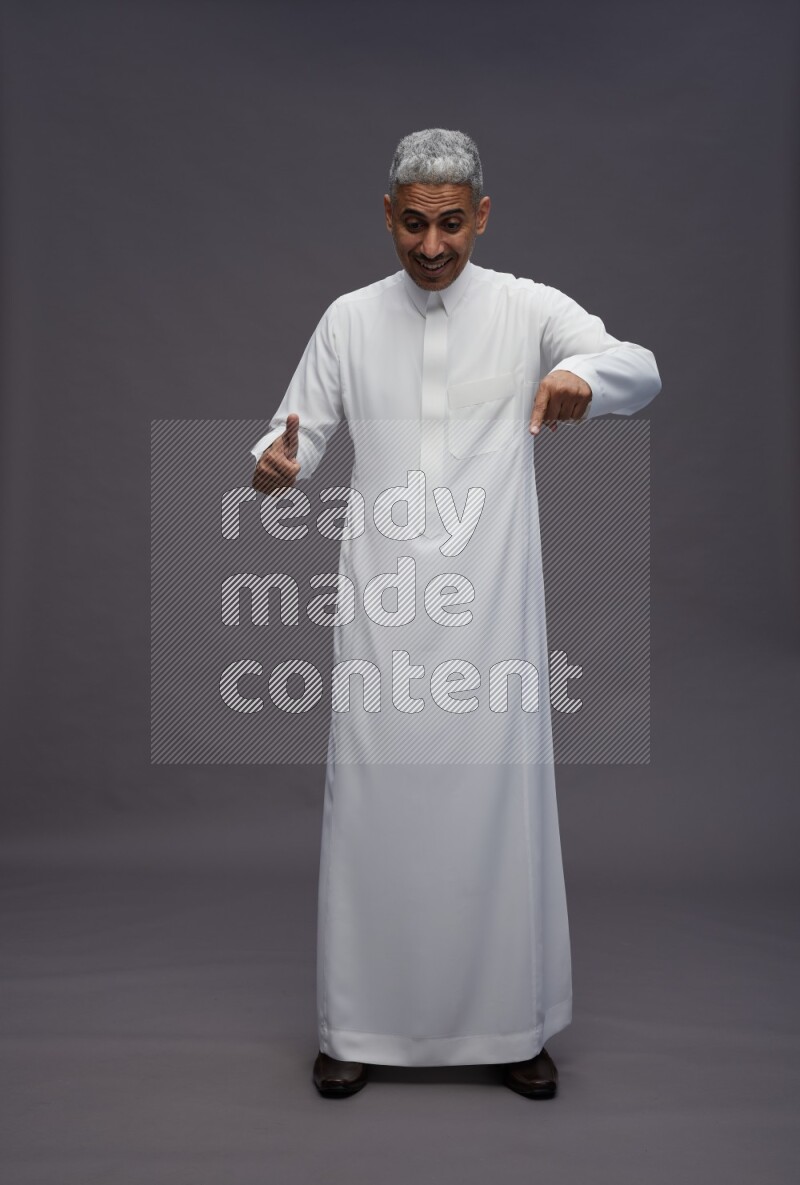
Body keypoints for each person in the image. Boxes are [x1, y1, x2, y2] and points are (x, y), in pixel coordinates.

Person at [250, 129, 661, 1099]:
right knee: (373, 812)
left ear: (479, 215)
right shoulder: (349, 320)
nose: (429, 245)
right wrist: (269, 465)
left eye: (448, 223)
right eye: (411, 223)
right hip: (384, 610)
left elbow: (637, 365)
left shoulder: (523, 308)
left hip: (491, 612)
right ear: (386, 217)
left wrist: (579, 381)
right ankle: (355, 1026)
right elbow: (290, 435)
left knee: (496, 810)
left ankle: (511, 1028)